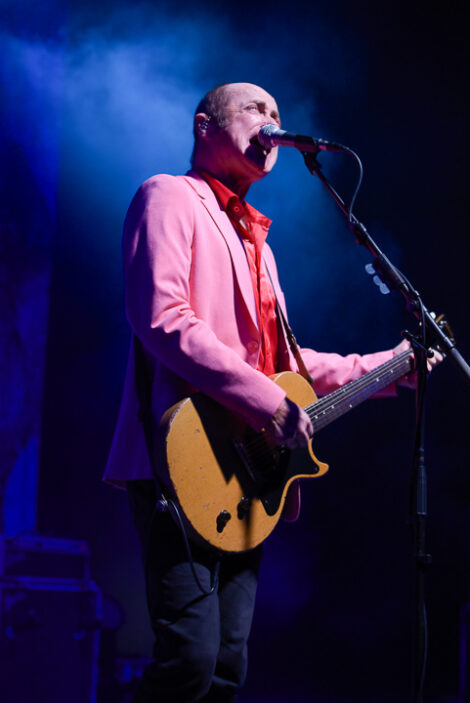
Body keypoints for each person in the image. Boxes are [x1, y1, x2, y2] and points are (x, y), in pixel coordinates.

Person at [104, 82, 441, 703]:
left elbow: (287, 367)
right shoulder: (169, 195)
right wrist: (266, 403)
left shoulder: (260, 246)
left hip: (246, 477)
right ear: (205, 126)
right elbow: (163, 319)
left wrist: (392, 366)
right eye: (256, 110)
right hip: (179, 454)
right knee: (188, 661)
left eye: (278, 114)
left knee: (226, 669)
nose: (272, 122)